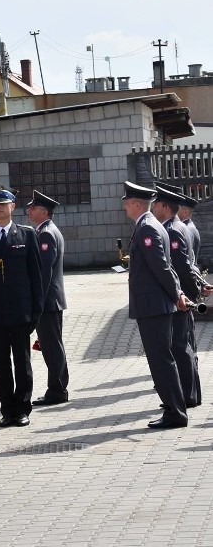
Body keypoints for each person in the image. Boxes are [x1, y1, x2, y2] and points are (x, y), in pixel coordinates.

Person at [0, 185, 44, 428]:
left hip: (21, 312)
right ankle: (7, 410)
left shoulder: (26, 235)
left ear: (13, 207)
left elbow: (36, 276)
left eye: (4, 205)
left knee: (22, 363)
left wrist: (37, 310)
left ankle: (22, 408)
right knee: (1, 365)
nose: (0, 209)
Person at [122, 181, 191, 429]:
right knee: (163, 358)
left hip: (153, 306)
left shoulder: (147, 229)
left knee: (161, 359)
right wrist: (178, 292)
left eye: (127, 203)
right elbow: (166, 266)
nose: (125, 207)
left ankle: (175, 412)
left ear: (137, 204)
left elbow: (161, 267)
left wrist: (176, 295)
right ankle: (174, 409)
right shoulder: (152, 225)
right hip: (155, 305)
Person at [151, 186, 200, 408]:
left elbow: (182, 266)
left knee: (180, 347)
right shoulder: (177, 226)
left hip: (180, 297)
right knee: (184, 345)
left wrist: (190, 294)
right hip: (183, 295)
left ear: (164, 207)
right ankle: (190, 395)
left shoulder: (171, 230)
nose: (152, 207)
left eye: (155, 204)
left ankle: (187, 396)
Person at [26, 190, 69, 406]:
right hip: (51, 300)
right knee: (52, 345)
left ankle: (57, 390)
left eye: (33, 207)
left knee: (51, 346)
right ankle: (58, 387)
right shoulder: (47, 231)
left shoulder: (46, 234)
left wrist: (37, 301)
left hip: (48, 301)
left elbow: (44, 272)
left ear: (44, 212)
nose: (29, 210)